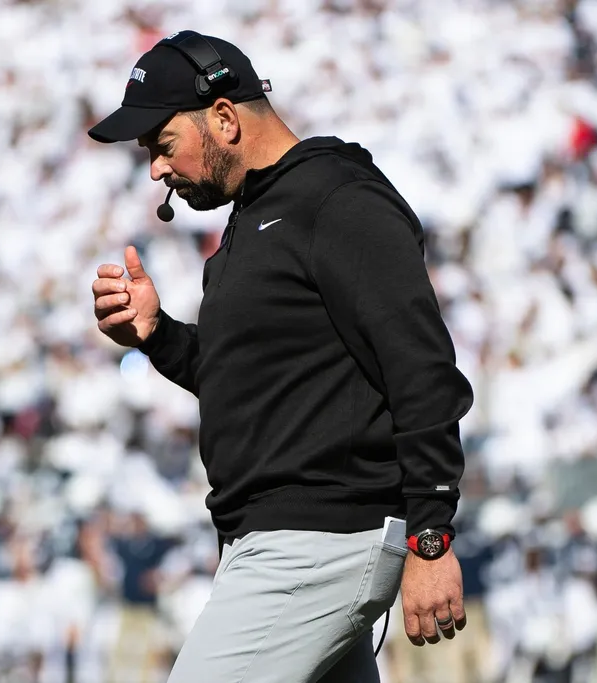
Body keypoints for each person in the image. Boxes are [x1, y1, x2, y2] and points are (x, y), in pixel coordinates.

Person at [88, 31, 474, 682]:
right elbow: (244, 383)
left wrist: (431, 538)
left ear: (225, 117)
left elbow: (423, 368)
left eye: (162, 143)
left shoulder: (337, 198)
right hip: (279, 539)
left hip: (316, 541)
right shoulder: (253, 219)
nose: (155, 167)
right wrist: (157, 335)